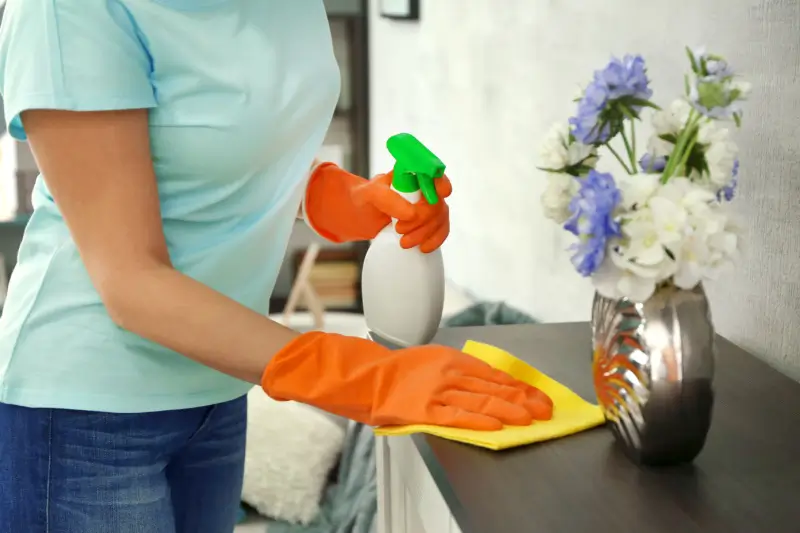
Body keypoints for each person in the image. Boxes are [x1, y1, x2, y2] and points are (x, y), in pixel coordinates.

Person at [0, 1, 553, 532]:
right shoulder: (68, 8)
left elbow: (234, 150)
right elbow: (130, 279)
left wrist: (348, 200)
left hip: (218, 387)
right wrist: (367, 377)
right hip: (84, 410)